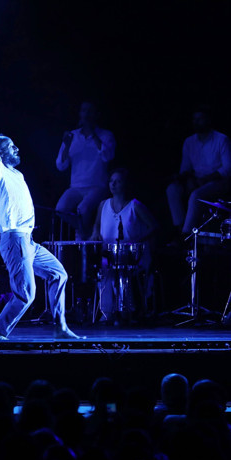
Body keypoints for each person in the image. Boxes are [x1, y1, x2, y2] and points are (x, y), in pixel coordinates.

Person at [0, 112, 81, 340]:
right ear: (2, 154)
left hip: (28, 242)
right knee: (25, 294)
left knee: (58, 274)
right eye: (12, 147)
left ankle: (61, 328)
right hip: (15, 239)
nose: (17, 149)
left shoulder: (14, 173)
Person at [90, 168, 158, 322]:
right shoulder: (103, 204)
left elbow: (154, 226)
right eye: (111, 181)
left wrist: (135, 240)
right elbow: (97, 224)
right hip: (107, 253)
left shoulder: (135, 206)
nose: (113, 184)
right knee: (105, 272)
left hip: (130, 254)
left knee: (122, 274)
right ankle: (107, 312)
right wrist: (95, 233)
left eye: (118, 181)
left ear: (125, 184)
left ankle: (127, 310)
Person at [165, 107, 231, 237]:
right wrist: (184, 178)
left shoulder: (221, 139)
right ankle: (180, 227)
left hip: (218, 181)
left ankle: (186, 234)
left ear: (208, 119)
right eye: (194, 119)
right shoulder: (189, 142)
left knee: (196, 195)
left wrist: (205, 179)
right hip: (196, 180)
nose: (196, 122)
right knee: (172, 189)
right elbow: (186, 168)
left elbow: (227, 169)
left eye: (200, 119)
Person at [55, 102, 116, 240]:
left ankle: (82, 236)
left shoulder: (106, 135)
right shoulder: (72, 136)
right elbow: (61, 165)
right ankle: (86, 232)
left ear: (96, 114)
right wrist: (66, 145)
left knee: (83, 209)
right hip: (76, 187)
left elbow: (108, 156)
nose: (86, 114)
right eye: (84, 111)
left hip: (97, 186)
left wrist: (93, 134)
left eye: (90, 111)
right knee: (60, 209)